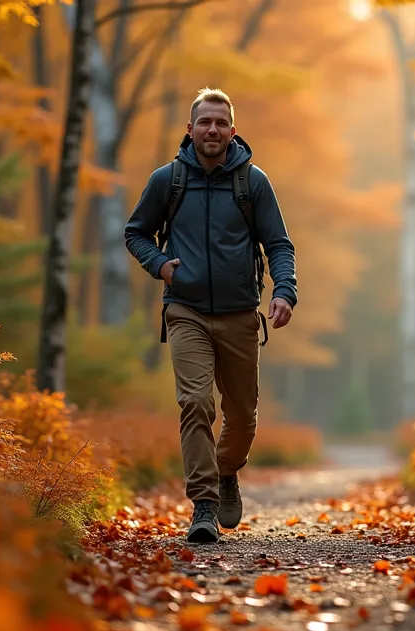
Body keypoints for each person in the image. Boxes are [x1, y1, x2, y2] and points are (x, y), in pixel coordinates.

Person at [123, 88, 298, 543]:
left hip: (241, 313)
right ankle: (203, 505)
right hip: (186, 311)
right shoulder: (168, 180)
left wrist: (285, 291)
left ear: (232, 130)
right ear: (190, 129)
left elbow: (277, 244)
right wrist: (160, 264)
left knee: (242, 416)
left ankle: (226, 472)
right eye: (205, 122)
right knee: (195, 403)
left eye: (221, 122)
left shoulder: (253, 183)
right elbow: (136, 232)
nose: (213, 130)